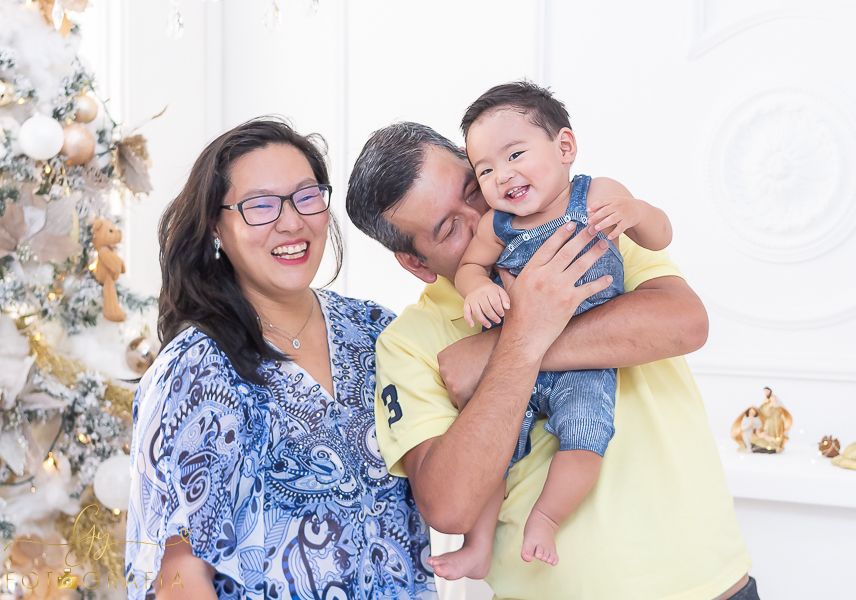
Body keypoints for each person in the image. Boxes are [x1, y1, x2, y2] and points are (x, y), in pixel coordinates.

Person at [346, 119, 758, 600]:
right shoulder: (410, 341)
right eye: (451, 228)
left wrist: (499, 353)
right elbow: (450, 507)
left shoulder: (585, 224)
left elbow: (684, 322)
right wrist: (522, 339)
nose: (482, 214)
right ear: (416, 262)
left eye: (472, 187)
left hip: (708, 585)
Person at [125, 118, 435, 600]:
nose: (291, 222)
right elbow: (179, 577)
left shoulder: (377, 330)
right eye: (260, 206)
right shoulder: (195, 370)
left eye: (306, 197)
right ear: (215, 227)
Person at [443, 82, 673, 572]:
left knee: (587, 435)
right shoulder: (497, 226)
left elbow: (661, 235)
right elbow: (468, 268)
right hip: (516, 365)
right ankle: (478, 544)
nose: (502, 175)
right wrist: (477, 288)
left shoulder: (598, 196)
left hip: (586, 358)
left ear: (564, 147)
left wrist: (636, 213)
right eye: (485, 170)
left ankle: (546, 518)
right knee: (495, 453)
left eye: (516, 154)